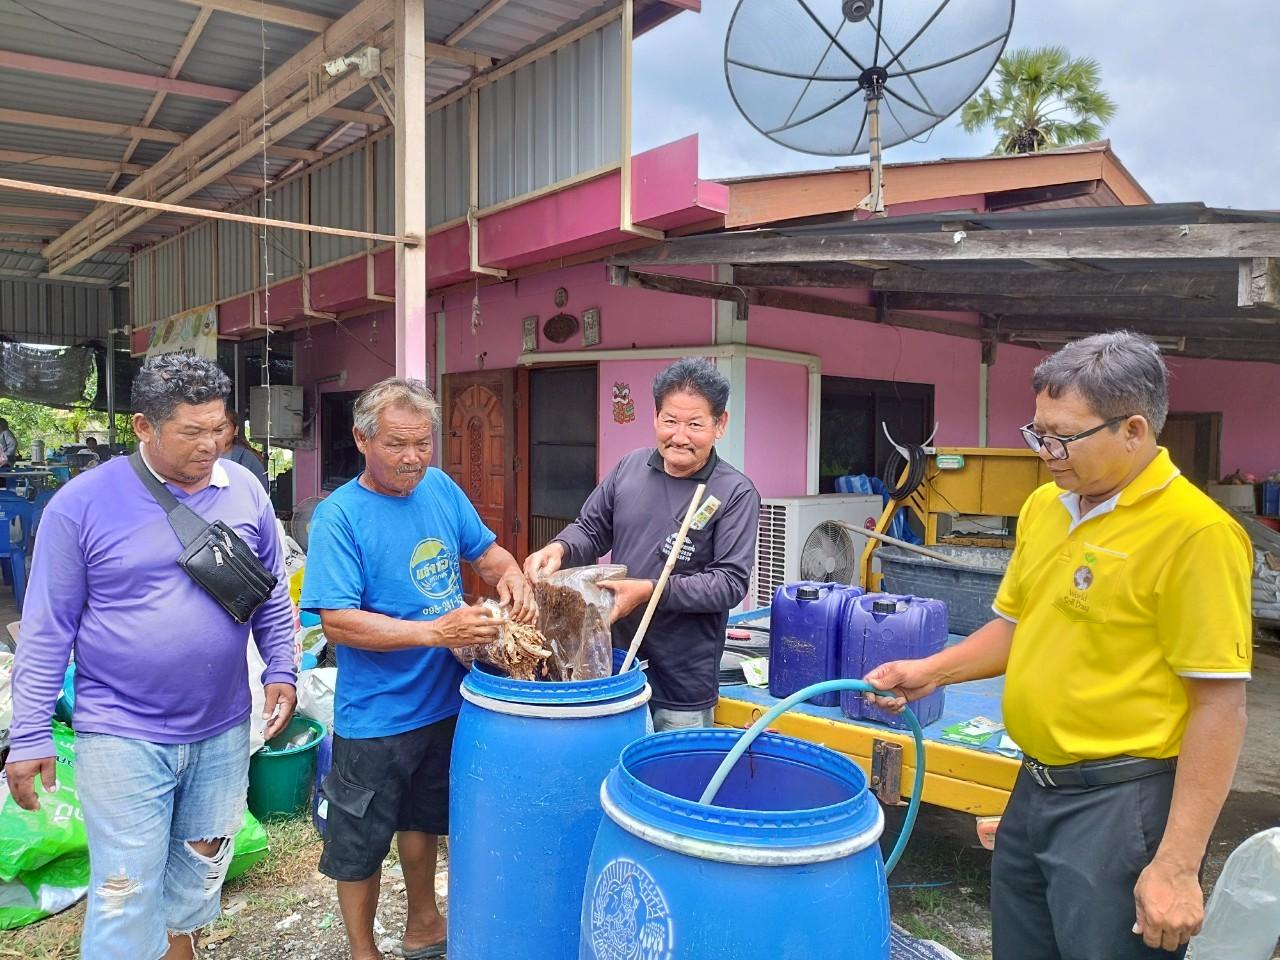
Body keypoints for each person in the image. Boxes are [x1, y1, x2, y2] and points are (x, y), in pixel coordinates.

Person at [865, 332, 1251, 960]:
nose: (1046, 451)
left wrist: (1177, 865)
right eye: (1038, 432)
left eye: (1064, 437)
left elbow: (1219, 707)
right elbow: (1017, 627)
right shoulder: (1047, 505)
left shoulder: (1196, 534)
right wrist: (930, 671)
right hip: (1035, 786)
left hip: (1121, 802)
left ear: (1133, 429)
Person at [5, 353, 298, 960]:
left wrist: (283, 670)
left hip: (221, 728)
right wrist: (31, 733)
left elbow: (266, 593)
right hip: (121, 730)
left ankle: (178, 947)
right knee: (125, 888)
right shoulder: (81, 505)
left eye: (218, 428)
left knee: (202, 865)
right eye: (191, 431)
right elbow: (45, 628)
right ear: (144, 427)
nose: (209, 444)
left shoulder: (243, 488)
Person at [301, 378, 536, 960]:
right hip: (377, 716)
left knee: (424, 819)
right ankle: (362, 949)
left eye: (422, 444)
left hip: (446, 702)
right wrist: (437, 632)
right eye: (397, 445)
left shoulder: (439, 488)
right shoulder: (340, 517)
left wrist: (510, 575)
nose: (412, 459)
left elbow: (487, 552)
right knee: (359, 843)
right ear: (362, 439)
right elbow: (337, 622)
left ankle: (424, 923)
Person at [524, 357, 760, 731]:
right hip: (614, 664)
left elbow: (728, 583)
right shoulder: (629, 468)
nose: (680, 436)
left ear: (720, 425)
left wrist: (650, 591)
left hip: (682, 680)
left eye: (695, 424)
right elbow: (590, 528)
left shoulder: (734, 492)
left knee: (670, 783)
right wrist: (560, 548)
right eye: (670, 421)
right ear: (655, 418)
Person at [220, 408, 269, 492]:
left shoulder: (248, 460)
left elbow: (261, 495)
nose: (220, 430)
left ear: (235, 430)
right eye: (216, 426)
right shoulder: (200, 457)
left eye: (225, 425)